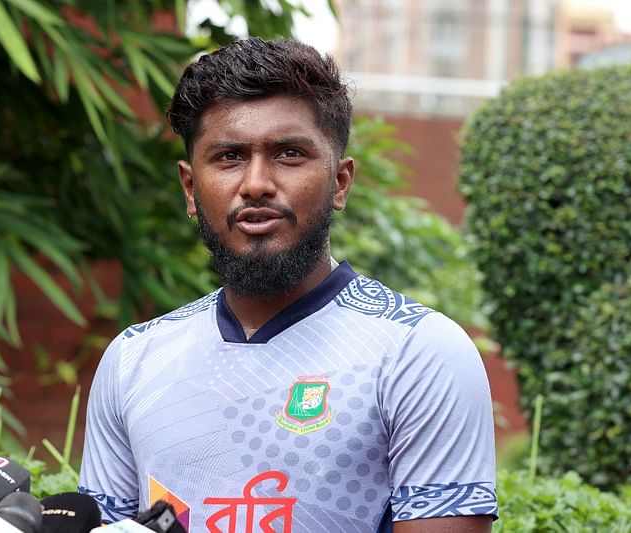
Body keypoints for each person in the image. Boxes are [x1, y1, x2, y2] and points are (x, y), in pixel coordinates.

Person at [79, 38, 498, 533]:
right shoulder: (134, 359)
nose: (256, 183)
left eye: (289, 154)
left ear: (340, 182)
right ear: (191, 189)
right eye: (230, 156)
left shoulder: (417, 353)